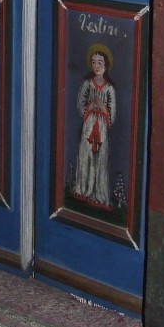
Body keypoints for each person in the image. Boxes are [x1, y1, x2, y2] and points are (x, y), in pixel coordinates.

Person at [72, 45, 116, 208]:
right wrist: (90, 106)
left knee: (101, 157)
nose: (96, 66)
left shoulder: (109, 88)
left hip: (102, 127)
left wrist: (103, 108)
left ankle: (99, 194)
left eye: (100, 62)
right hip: (89, 124)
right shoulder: (87, 84)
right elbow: (80, 104)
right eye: (94, 62)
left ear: (106, 65)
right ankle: (83, 189)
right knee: (86, 153)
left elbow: (112, 111)